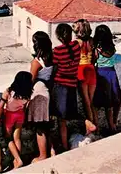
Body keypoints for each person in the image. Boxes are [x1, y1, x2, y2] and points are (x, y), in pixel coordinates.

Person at [51, 23, 81, 151]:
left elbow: (55, 68)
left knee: (61, 119)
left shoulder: (57, 51)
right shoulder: (76, 46)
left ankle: (64, 146)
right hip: (72, 85)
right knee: (73, 114)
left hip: (60, 86)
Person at [0, 71, 33, 169]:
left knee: (8, 138)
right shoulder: (28, 93)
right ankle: (16, 161)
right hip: (20, 115)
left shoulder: (9, 91)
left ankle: (18, 159)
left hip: (9, 115)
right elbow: (25, 107)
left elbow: (0, 106)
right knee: (17, 138)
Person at [28, 31, 54, 163]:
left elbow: (30, 80)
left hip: (38, 94)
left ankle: (43, 156)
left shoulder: (36, 62)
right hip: (47, 92)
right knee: (47, 125)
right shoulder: (51, 58)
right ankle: (51, 151)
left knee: (40, 127)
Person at [92, 24, 121, 133]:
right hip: (112, 73)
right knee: (114, 99)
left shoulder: (97, 49)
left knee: (100, 102)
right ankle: (113, 124)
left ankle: (98, 126)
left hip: (101, 74)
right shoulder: (112, 47)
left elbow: (94, 60)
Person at [73, 19, 98, 129]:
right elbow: (95, 56)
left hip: (81, 70)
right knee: (91, 101)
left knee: (86, 101)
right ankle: (97, 125)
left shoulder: (77, 43)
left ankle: (91, 126)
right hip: (91, 69)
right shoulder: (92, 41)